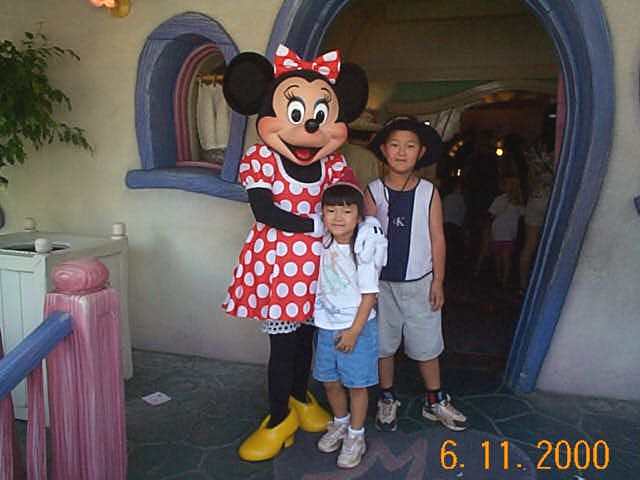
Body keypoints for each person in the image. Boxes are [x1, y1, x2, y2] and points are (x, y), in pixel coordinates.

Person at [220, 45, 386, 461]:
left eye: (320, 115)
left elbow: (352, 200)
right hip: (279, 268)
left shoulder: (333, 166)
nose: (310, 125)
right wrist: (316, 225)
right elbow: (264, 210)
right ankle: (278, 418)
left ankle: (299, 398)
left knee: (309, 341)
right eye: (296, 113)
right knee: (283, 347)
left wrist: (369, 223)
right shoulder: (261, 158)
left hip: (323, 271)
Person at [365, 115, 468, 432]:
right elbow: (365, 240)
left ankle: (434, 399)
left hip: (420, 283)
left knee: (427, 343)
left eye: (410, 146)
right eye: (394, 145)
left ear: (421, 152)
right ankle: (386, 397)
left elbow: (438, 238)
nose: (401, 152)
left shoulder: (428, 192)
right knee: (383, 345)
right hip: (381, 285)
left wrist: (438, 280)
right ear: (384, 150)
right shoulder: (373, 191)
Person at [313, 179, 385, 469]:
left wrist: (354, 332)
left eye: (346, 211)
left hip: (357, 328)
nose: (338, 218)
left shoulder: (363, 250)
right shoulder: (323, 241)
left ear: (359, 216)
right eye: (331, 211)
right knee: (329, 381)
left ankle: (356, 436)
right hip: (326, 325)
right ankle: (340, 423)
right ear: (323, 214)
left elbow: (370, 296)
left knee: (356, 385)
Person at [519, 142, 554, 293]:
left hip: (535, 200)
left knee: (529, 245)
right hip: (550, 202)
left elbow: (529, 183)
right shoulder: (556, 158)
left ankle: (523, 284)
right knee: (550, 244)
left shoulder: (532, 162)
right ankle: (545, 284)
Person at [488, 175, 525, 289]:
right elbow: (492, 214)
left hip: (506, 234)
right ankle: (500, 278)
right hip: (500, 232)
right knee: (500, 258)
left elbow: (523, 214)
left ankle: (503, 280)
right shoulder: (501, 199)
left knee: (504, 258)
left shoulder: (517, 201)